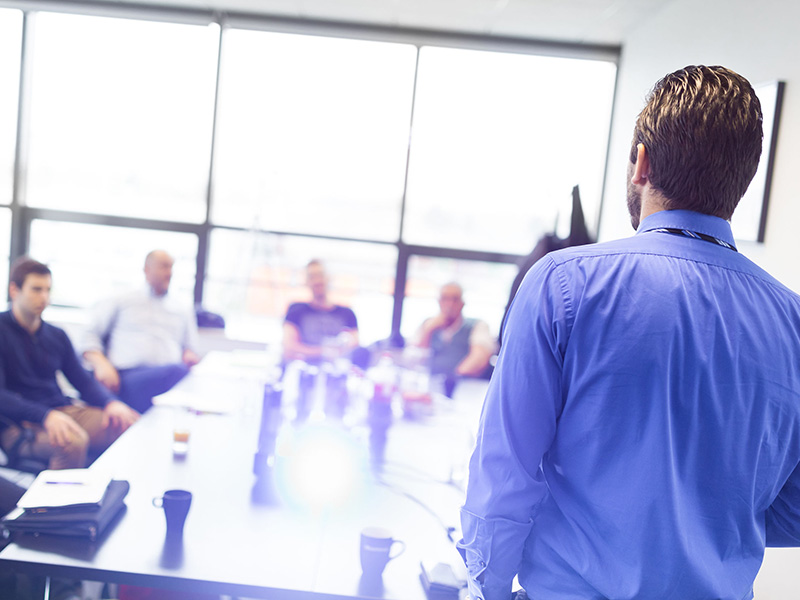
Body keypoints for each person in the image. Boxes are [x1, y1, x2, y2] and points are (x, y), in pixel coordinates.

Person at [459, 65, 800, 600]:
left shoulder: (562, 283)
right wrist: (705, 527)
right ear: (742, 181)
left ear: (641, 162)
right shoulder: (794, 323)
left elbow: (505, 475)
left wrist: (492, 587)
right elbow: (795, 510)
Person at [0, 257, 139, 470]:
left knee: (128, 424)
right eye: (36, 289)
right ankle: (49, 505)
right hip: (19, 423)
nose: (44, 297)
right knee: (72, 442)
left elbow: (83, 381)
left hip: (61, 411)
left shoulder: (56, 335)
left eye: (47, 290)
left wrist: (111, 402)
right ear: (14, 290)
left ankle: (102, 498)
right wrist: (45, 415)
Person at [81, 250, 200, 413]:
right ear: (146, 269)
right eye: (164, 267)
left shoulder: (182, 308)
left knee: (184, 377)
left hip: (168, 377)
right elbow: (89, 334)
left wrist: (189, 354)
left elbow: (190, 347)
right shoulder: (123, 299)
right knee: (178, 372)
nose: (169, 273)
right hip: (128, 377)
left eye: (171, 267)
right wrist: (101, 363)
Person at [413, 283, 496, 396]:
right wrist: (429, 329)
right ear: (439, 301)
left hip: (464, 391)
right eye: (445, 298)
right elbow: (416, 358)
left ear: (462, 303)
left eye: (455, 299)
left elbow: (479, 358)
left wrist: (454, 377)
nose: (450, 304)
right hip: (429, 390)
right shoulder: (428, 324)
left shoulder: (477, 326)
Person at [283, 259, 362, 366]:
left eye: (320, 275)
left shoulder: (347, 313)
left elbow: (355, 349)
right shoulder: (296, 310)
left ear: (328, 278)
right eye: (312, 277)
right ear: (306, 281)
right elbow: (289, 349)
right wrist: (325, 352)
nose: (317, 281)